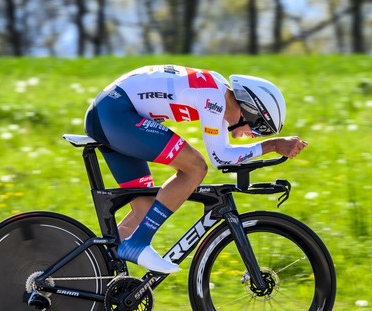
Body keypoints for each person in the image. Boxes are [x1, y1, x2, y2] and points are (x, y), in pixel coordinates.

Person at [84, 65, 308, 274]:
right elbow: (220, 158)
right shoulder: (214, 98)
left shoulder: (219, 94)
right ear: (249, 111)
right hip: (116, 113)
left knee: (144, 210)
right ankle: (139, 243)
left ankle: (93, 274)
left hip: (112, 112)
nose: (254, 135)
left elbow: (226, 154)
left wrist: (271, 145)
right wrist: (274, 145)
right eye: (259, 128)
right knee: (195, 168)